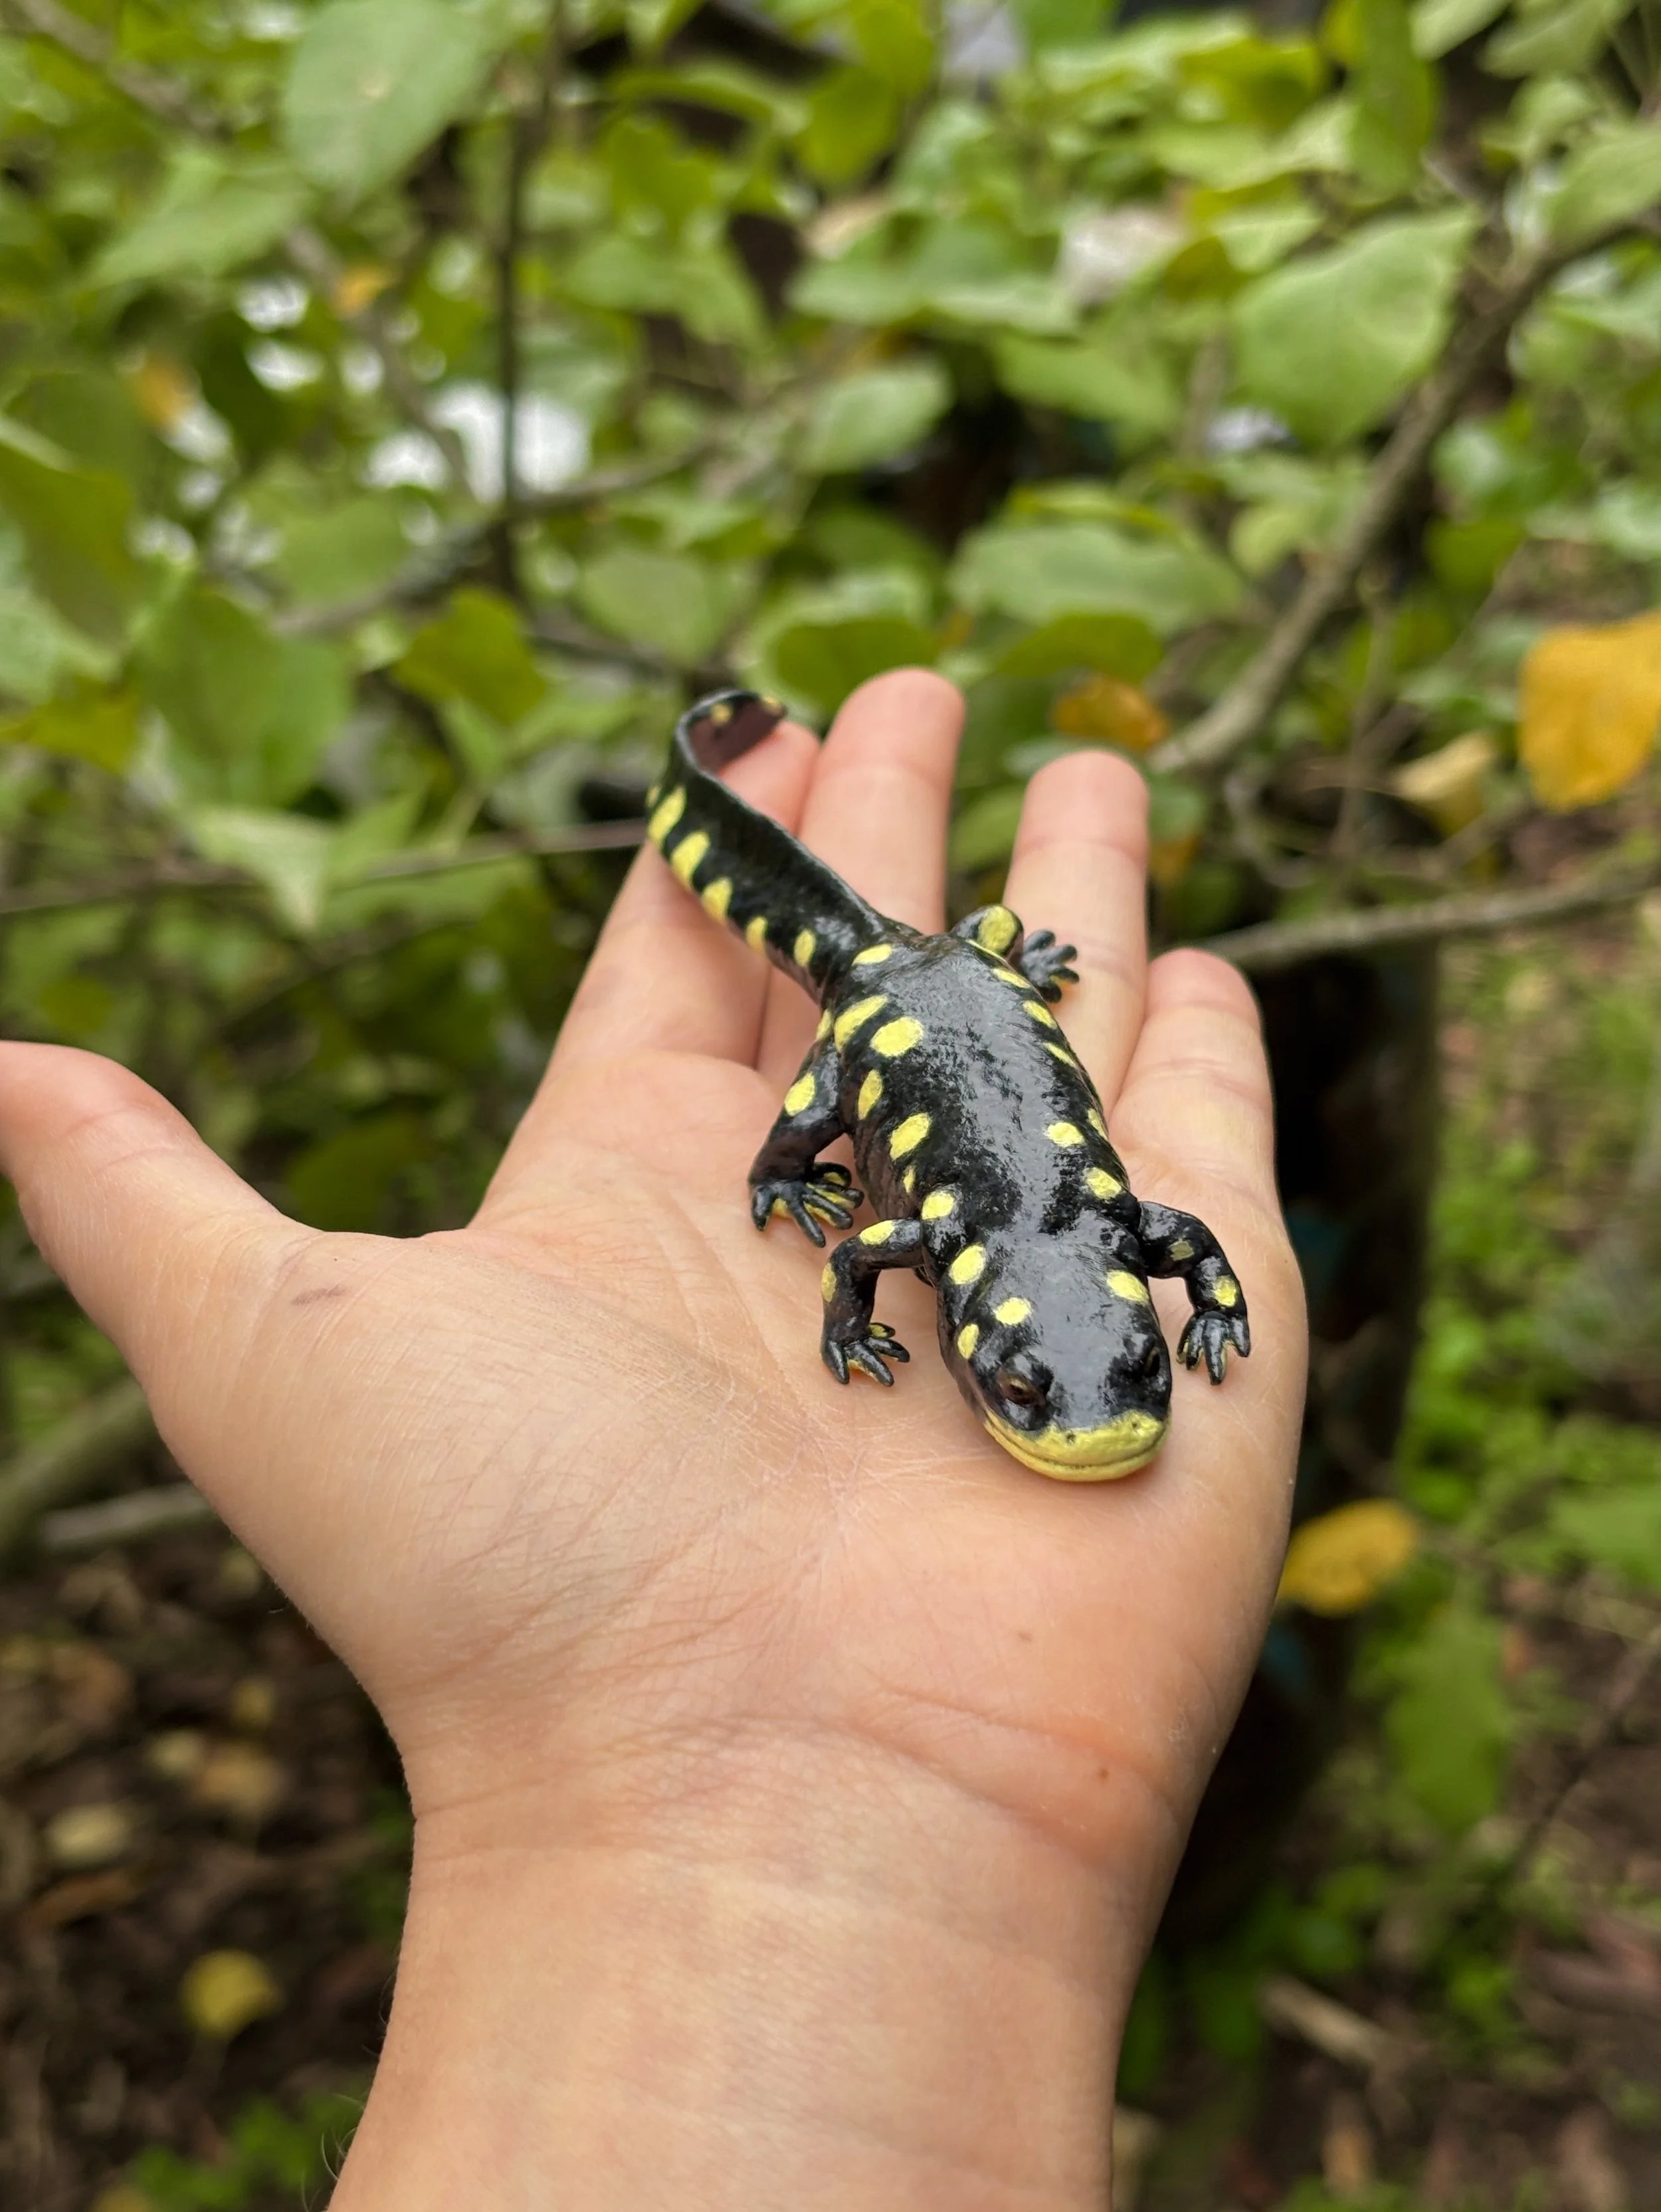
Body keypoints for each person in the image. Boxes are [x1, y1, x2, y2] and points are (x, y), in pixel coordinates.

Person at [0, 669, 1306, 2207]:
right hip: (907, 996)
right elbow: (897, 1239)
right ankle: (775, 847)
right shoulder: (949, 1236)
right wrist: (802, 1199)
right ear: (979, 1331)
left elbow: (1171, 1239)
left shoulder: (1057, 1235)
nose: (1094, 1424)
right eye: (1041, 1394)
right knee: (876, 1024)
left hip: (957, 990)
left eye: (1126, 1377)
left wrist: (1194, 1307)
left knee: (960, 971)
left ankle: (976, 955)